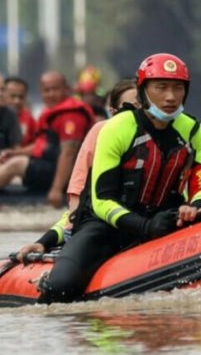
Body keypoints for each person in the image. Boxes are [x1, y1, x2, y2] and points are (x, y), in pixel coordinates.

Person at [32, 53, 201, 303]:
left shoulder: (196, 133)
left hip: (165, 221)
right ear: (143, 91)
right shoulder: (117, 128)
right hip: (106, 228)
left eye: (178, 88)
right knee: (61, 288)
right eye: (161, 87)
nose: (171, 97)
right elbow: (102, 201)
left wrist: (195, 207)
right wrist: (144, 226)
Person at [15, 79, 143, 263]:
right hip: (103, 224)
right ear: (113, 113)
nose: (136, 116)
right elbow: (79, 196)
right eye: (130, 108)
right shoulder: (101, 132)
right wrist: (56, 236)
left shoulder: (166, 137)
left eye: (143, 108)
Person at [0, 71, 95, 208]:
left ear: (67, 89)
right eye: (46, 90)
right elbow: (43, 146)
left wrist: (56, 189)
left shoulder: (70, 115)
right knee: (14, 160)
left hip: (71, 175)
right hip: (50, 167)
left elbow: (68, 153)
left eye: (55, 89)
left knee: (17, 164)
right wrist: (15, 153)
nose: (50, 94)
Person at [5, 76, 37, 146]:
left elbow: (38, 144)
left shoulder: (29, 118)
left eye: (21, 97)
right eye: (12, 96)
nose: (17, 101)